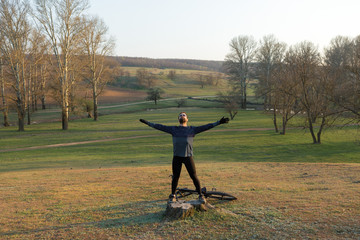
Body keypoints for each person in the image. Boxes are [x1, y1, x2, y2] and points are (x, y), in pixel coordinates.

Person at [139, 112, 229, 203]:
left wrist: (218, 122)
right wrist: (148, 123)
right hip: (177, 157)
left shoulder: (192, 129)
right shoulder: (174, 129)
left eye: (184, 115)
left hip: (188, 157)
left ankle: (200, 195)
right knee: (175, 177)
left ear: (187, 119)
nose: (182, 116)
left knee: (194, 176)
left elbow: (206, 126)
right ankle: (172, 195)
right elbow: (160, 126)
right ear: (178, 119)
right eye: (180, 115)